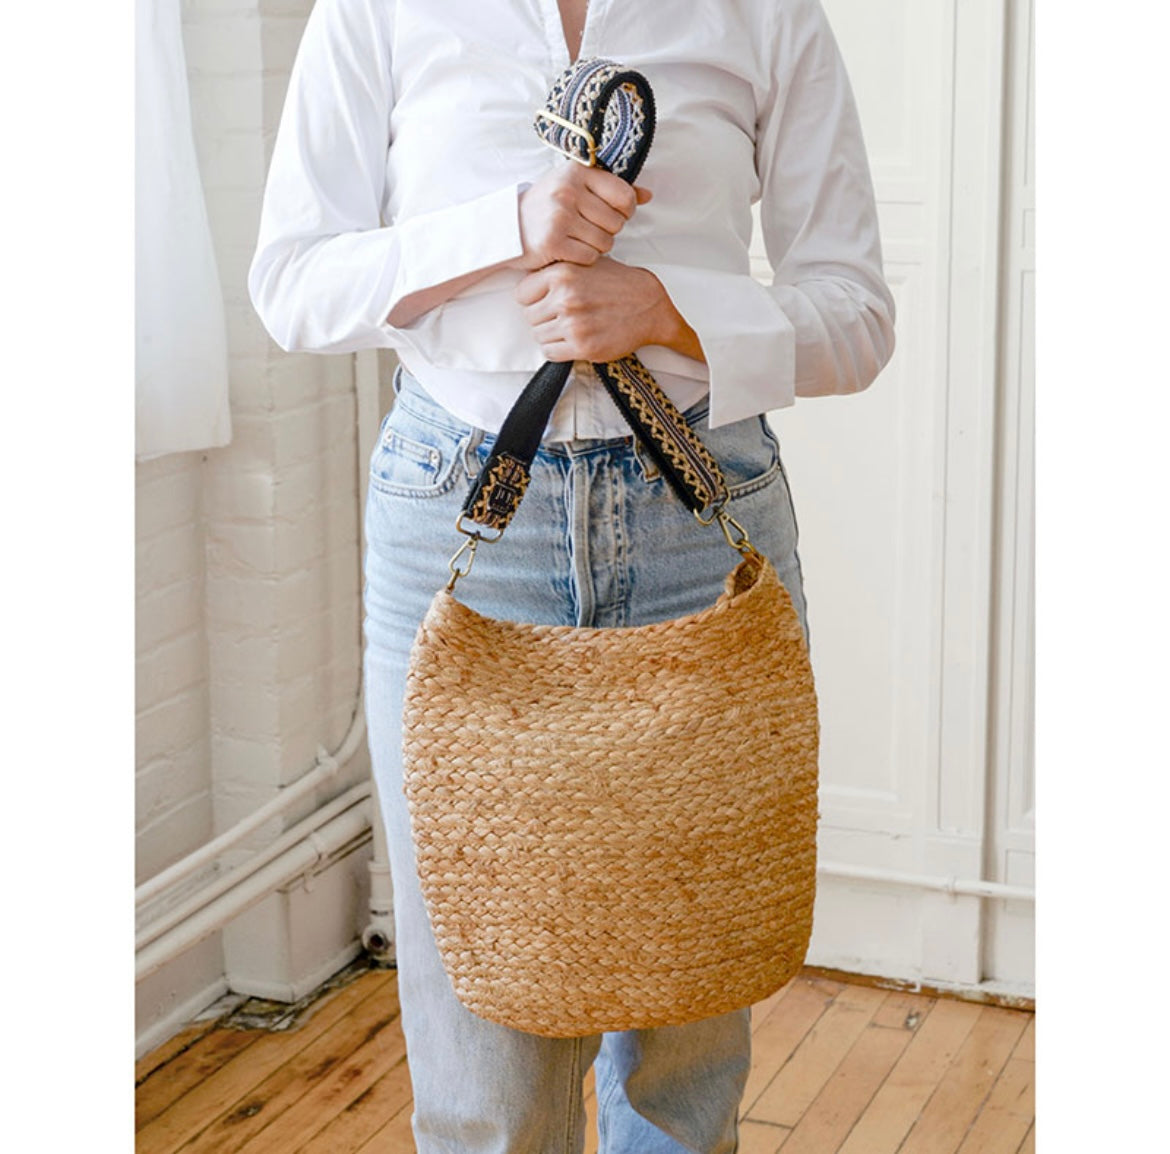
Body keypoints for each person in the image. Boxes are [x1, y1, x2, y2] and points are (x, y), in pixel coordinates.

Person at [249, 0, 894, 1149]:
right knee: (484, 1064)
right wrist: (506, 226)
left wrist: (671, 311)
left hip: (701, 537)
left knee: (687, 1048)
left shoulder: (765, 11)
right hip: (462, 530)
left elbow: (857, 315)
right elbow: (293, 284)